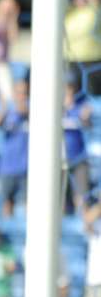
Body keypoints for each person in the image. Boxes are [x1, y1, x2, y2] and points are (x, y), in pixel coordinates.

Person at [0, 77, 31, 219]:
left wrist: (26, 112)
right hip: (8, 166)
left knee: (29, 204)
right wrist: (3, 110)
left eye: (25, 93)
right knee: (7, 203)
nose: (21, 96)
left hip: (28, 167)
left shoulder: (35, 112)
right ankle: (9, 232)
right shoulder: (7, 113)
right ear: (13, 94)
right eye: (18, 93)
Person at [64, 78, 92, 213]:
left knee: (82, 195)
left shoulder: (81, 108)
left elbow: (88, 126)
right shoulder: (53, 109)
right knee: (58, 196)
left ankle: (85, 225)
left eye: (70, 92)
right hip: (58, 160)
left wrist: (86, 118)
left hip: (78, 158)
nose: (68, 95)